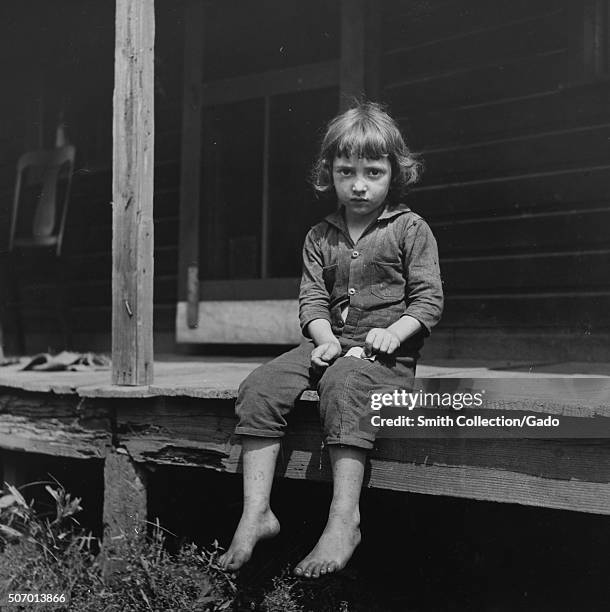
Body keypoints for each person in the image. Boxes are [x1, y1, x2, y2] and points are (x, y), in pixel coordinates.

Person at [219, 101, 443, 578]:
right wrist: (322, 338)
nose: (359, 184)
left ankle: (345, 518)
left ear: (394, 173)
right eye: (346, 172)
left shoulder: (409, 229)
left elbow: (427, 302)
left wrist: (392, 331)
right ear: (329, 174)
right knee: (260, 385)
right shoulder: (320, 237)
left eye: (372, 172)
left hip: (387, 356)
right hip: (333, 345)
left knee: (343, 385)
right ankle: (256, 512)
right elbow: (312, 302)